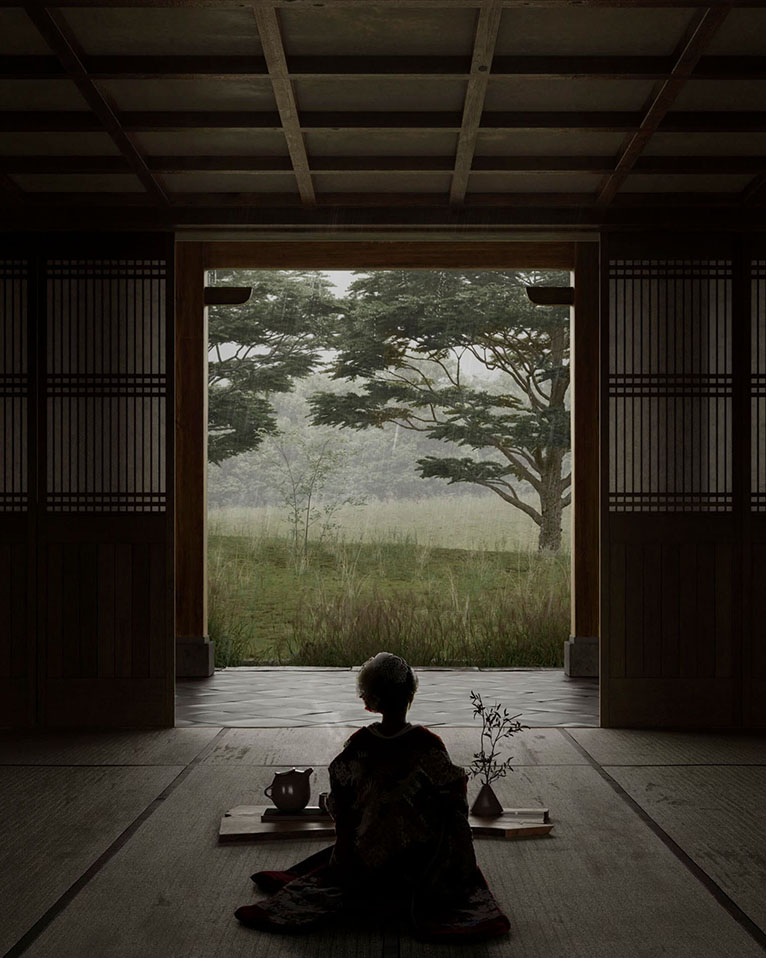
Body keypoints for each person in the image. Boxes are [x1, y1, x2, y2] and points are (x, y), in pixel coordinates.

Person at [234, 652, 511, 943]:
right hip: (417, 859)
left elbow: (340, 801)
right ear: (410, 695)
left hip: (363, 861)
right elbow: (454, 798)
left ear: (372, 699)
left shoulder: (358, 746)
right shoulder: (427, 745)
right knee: (445, 813)